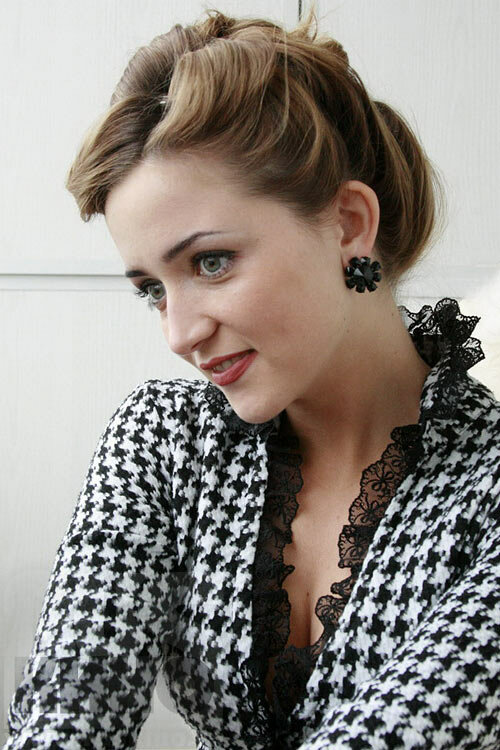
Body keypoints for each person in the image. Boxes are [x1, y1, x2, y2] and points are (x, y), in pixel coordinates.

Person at [4, 7, 499, 750]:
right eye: (152, 290)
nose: (179, 334)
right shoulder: (163, 440)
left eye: (211, 262)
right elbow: (71, 698)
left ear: (348, 223)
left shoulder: (487, 487)